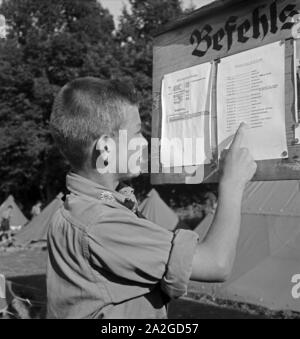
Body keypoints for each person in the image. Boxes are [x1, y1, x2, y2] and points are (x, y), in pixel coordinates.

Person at [47, 77, 257, 319]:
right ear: (105, 147)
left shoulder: (76, 209)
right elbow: (216, 263)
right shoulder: (102, 223)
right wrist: (232, 183)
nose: (144, 142)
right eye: (136, 133)